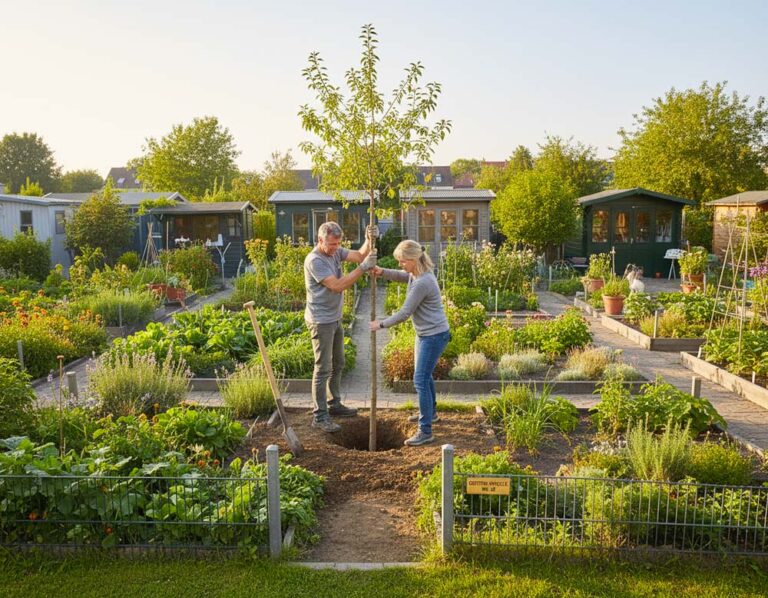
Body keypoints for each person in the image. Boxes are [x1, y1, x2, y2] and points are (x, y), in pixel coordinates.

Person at [370, 240, 450, 446]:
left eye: (402, 261)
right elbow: (403, 276)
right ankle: (430, 413)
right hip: (426, 334)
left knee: (420, 380)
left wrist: (381, 324)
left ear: (414, 260)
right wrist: (382, 272)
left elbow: (405, 312)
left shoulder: (423, 282)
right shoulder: (417, 274)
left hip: (433, 336)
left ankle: (425, 431)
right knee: (424, 376)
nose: (400, 265)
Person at [304, 221, 378, 432]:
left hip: (334, 318)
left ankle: (334, 404)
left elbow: (359, 255)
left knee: (339, 363)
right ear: (320, 240)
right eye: (332, 244)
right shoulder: (315, 260)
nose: (336, 247)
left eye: (338, 243)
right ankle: (319, 417)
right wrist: (362, 269)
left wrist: (368, 238)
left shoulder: (334, 251)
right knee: (323, 368)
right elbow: (337, 286)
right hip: (320, 321)